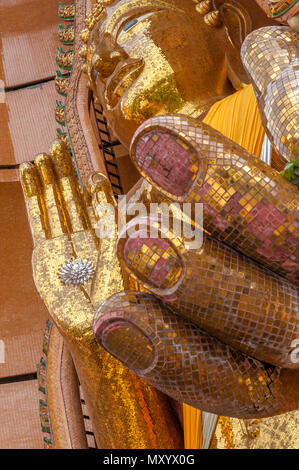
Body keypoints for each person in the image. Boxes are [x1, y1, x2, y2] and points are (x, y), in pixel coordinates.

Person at [20, 0, 299, 448]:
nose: (109, 65)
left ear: (215, 19)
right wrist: (95, 348)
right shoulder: (123, 228)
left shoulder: (275, 103)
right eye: (94, 74)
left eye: (131, 23)